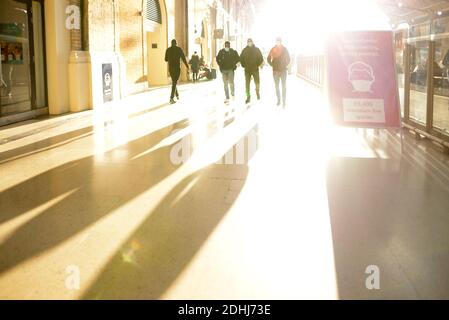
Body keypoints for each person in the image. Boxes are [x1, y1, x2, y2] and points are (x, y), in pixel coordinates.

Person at [267, 37, 291, 107]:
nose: (278, 42)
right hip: (275, 71)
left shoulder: (284, 49)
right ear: (275, 42)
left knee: (283, 86)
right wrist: (272, 65)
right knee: (276, 86)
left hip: (283, 71)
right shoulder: (273, 49)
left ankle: (284, 101)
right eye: (277, 41)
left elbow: (288, 58)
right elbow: (268, 59)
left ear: (281, 42)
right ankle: (278, 100)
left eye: (279, 41)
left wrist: (285, 65)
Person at [165, 39, 189, 104]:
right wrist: (187, 66)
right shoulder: (179, 49)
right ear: (176, 43)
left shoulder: (168, 50)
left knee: (174, 82)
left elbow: (166, 59)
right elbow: (183, 58)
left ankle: (177, 95)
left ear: (171, 43)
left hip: (171, 69)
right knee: (174, 82)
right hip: (177, 69)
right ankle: (171, 98)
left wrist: (170, 57)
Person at [240, 38, 264, 104]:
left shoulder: (256, 50)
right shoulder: (244, 50)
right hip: (247, 70)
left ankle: (257, 92)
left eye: (250, 42)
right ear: (247, 43)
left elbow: (261, 58)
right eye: (248, 42)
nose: (249, 43)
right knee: (247, 84)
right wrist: (243, 65)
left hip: (255, 69)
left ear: (252, 42)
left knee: (257, 83)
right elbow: (241, 58)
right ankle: (248, 96)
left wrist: (257, 65)